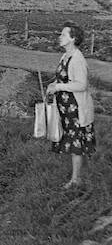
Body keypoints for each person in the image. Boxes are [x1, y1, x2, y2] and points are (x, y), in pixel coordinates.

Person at [45, 22, 96, 188]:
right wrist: (52, 86)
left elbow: (82, 85)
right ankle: (75, 178)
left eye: (63, 35)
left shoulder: (77, 59)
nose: (60, 37)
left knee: (76, 143)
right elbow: (62, 78)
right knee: (72, 140)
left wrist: (58, 87)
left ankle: (76, 180)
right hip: (67, 107)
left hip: (76, 108)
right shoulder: (66, 55)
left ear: (73, 39)